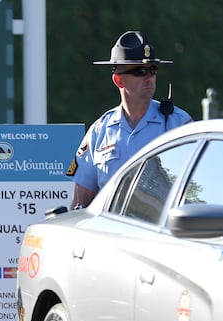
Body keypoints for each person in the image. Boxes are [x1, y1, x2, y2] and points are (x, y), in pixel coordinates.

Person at [68, 30, 192, 209]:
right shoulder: (99, 131)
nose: (149, 77)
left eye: (153, 69)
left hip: (161, 231)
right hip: (111, 232)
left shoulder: (178, 124)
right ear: (118, 80)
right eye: (140, 71)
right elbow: (80, 202)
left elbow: (198, 187)